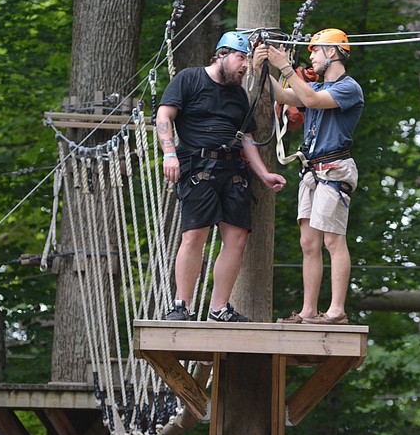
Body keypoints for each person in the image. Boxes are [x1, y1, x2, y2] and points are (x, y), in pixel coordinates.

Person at [156, 31, 287, 322]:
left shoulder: (239, 94)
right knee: (194, 235)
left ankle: (219, 308)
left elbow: (248, 139)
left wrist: (264, 174)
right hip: (198, 166)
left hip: (233, 170)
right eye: (241, 58)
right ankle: (181, 306)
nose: (244, 66)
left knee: (237, 237)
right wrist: (169, 153)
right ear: (222, 54)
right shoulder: (189, 79)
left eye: (246, 60)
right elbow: (164, 117)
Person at [253, 28, 364, 325]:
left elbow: (312, 101)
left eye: (315, 50)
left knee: (332, 240)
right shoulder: (312, 88)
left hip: (333, 168)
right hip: (313, 171)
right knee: (309, 243)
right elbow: (283, 94)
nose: (311, 56)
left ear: (332, 52)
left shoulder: (348, 88)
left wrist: (285, 66)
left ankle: (337, 310)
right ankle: (308, 311)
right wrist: (263, 69)